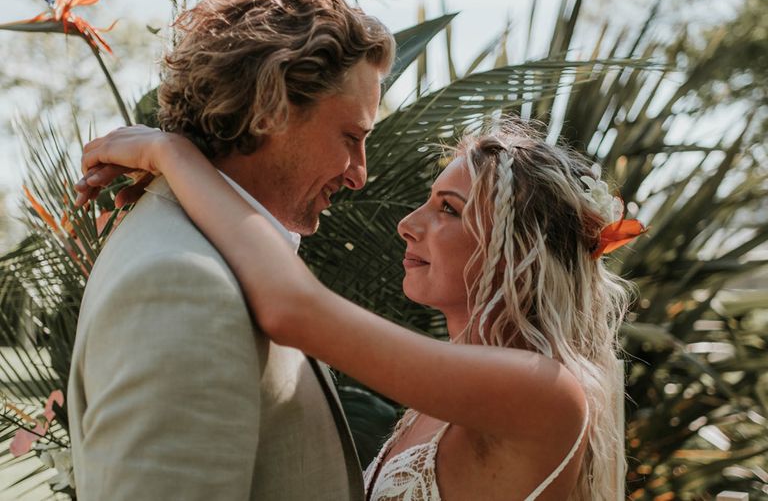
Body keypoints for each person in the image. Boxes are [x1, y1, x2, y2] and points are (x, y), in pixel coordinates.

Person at [76, 118, 639, 500]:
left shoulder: (545, 392)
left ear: (519, 251)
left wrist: (171, 154)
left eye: (447, 209)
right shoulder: (449, 389)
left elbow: (293, 309)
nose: (408, 223)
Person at [66, 0, 395, 500]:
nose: (360, 173)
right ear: (272, 110)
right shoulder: (182, 284)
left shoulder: (208, 250)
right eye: (350, 136)